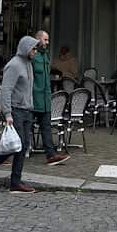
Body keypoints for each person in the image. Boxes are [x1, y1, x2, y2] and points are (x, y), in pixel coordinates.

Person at [0, 35, 40, 194]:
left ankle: (11, 178)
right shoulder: (14, 65)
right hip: (16, 109)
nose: (36, 51)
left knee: (23, 145)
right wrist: (7, 114)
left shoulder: (28, 64)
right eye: (34, 48)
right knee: (17, 146)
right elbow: (6, 90)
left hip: (27, 109)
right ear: (26, 48)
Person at [31, 29, 70, 167]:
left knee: (46, 128)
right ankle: (7, 154)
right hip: (33, 99)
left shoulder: (45, 56)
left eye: (48, 40)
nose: (47, 42)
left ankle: (51, 155)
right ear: (38, 40)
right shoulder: (32, 56)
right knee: (24, 128)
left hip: (45, 99)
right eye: (45, 39)